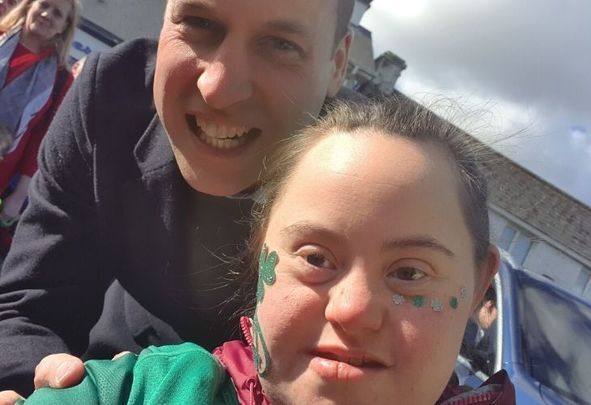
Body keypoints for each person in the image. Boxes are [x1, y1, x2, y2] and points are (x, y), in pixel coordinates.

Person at [20, 99, 515, 404]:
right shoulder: (147, 393)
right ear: (261, 256)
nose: (353, 310)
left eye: (409, 272)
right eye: (317, 258)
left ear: (477, 286)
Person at [0, 0, 355, 396]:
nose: (218, 89)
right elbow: (30, 303)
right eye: (198, 22)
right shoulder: (113, 95)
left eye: (280, 44)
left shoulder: (375, 186)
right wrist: (50, 385)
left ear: (337, 64)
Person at [0, 0, 78, 232]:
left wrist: (20, 193)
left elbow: (40, 139)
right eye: (43, 5)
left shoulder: (60, 78)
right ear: (28, 5)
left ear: (64, 26)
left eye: (57, 14)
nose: (46, 14)